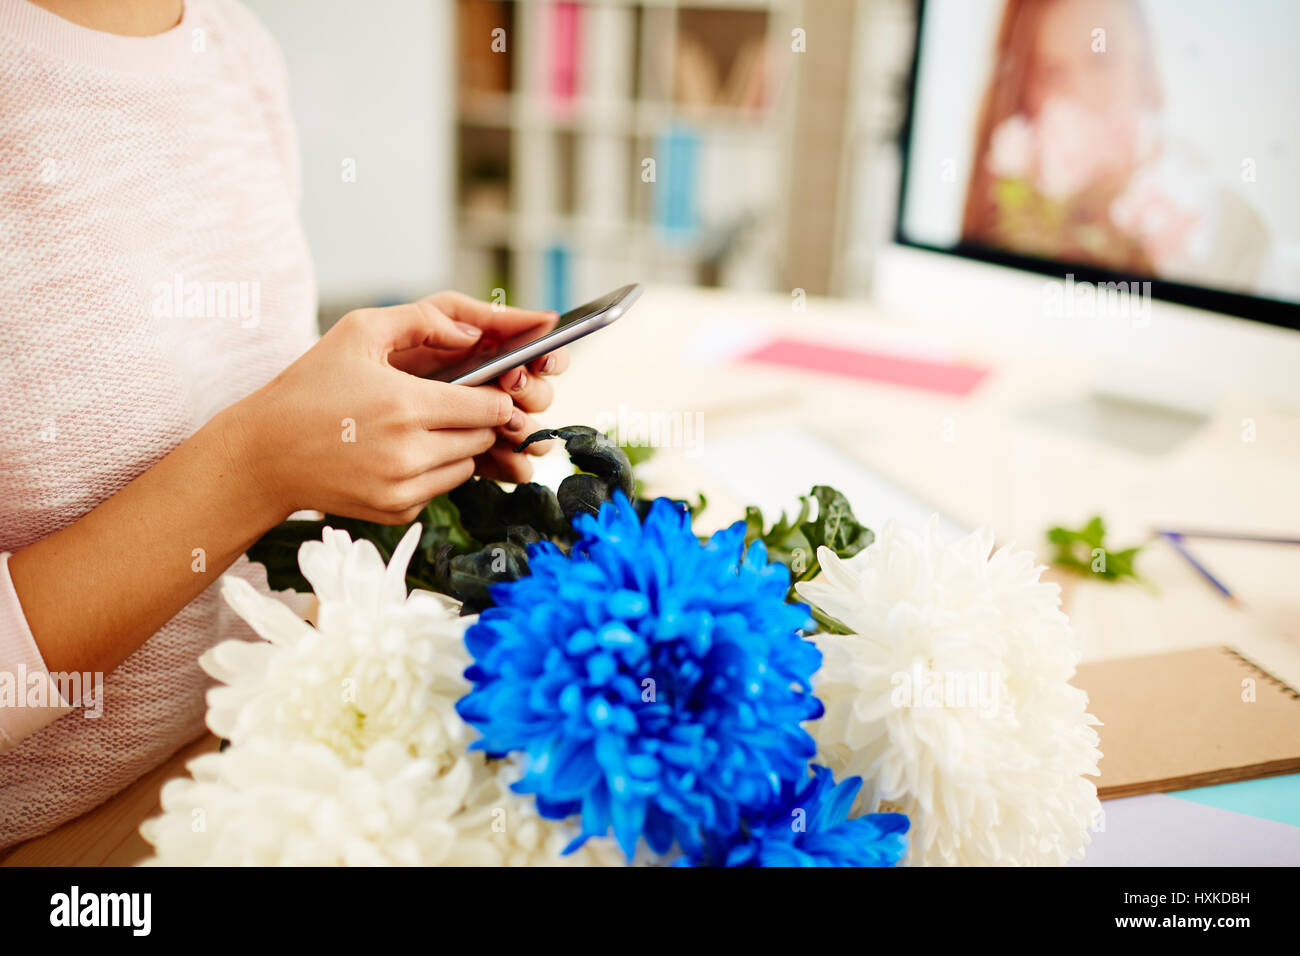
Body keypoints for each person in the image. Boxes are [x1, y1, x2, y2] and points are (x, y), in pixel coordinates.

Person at [0, 0, 565, 846]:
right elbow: (245, 457)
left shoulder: (236, 51)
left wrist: (376, 417)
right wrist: (257, 465)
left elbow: (227, 396)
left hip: (265, 775)